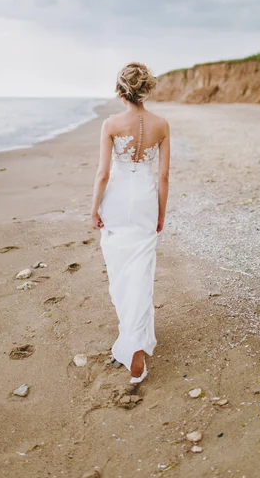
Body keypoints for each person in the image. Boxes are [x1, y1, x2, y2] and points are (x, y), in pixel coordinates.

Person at [91, 62, 170, 383]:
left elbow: (103, 173)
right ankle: (135, 342)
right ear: (144, 90)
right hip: (146, 198)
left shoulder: (110, 124)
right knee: (141, 267)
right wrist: (161, 213)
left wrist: (94, 208)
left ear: (120, 90)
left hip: (119, 198)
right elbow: (163, 175)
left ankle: (133, 342)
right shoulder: (162, 124)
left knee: (120, 266)